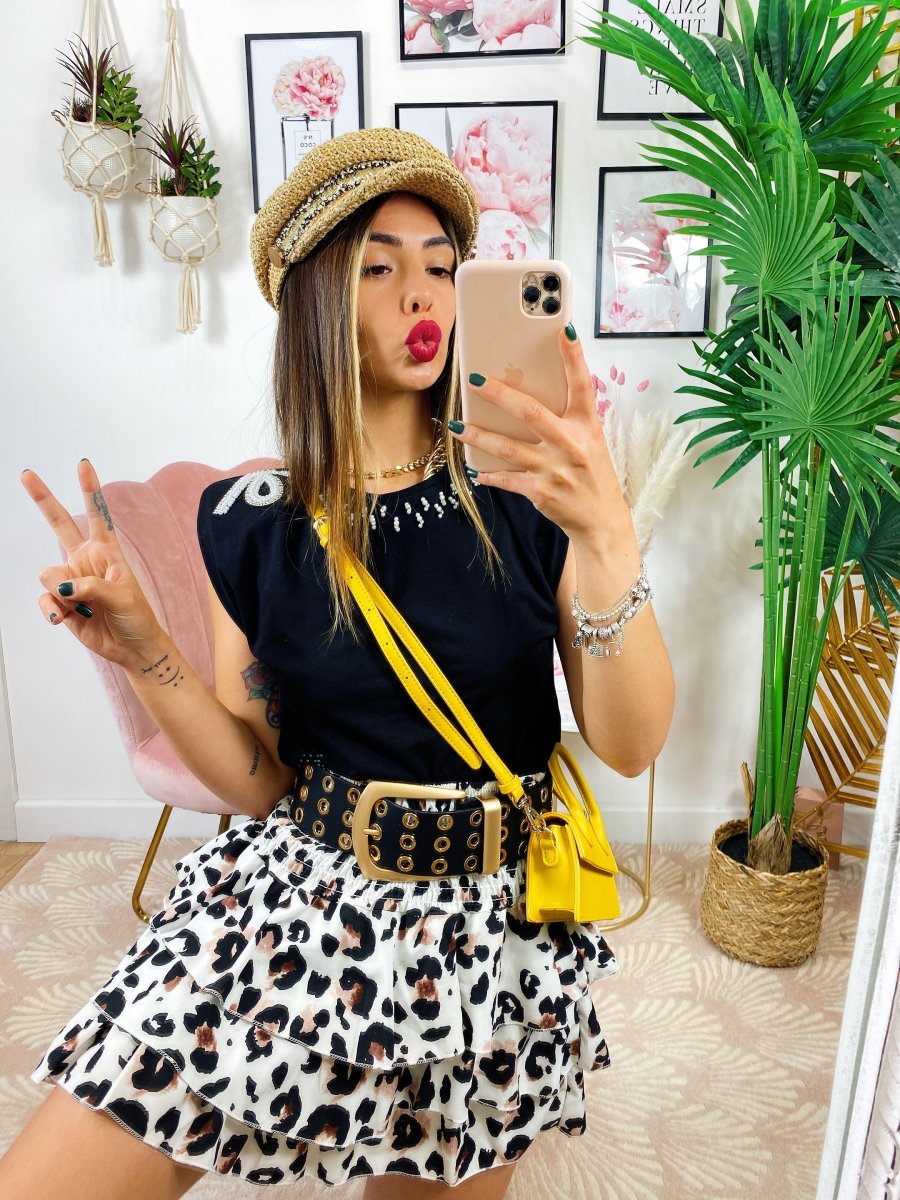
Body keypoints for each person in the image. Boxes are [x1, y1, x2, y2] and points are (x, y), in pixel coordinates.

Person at [4, 128, 674, 1199]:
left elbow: (632, 745)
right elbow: (255, 779)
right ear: (316, 298)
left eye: (442, 268)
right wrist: (145, 652)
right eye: (378, 266)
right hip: (299, 900)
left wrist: (609, 535)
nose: (422, 295)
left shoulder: (529, 498)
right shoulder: (249, 522)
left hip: (485, 937)